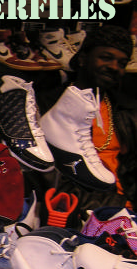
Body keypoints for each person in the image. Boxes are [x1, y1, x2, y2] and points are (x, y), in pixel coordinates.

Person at [33, 24, 137, 218]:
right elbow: (49, 178)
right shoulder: (47, 106)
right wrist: (120, 206)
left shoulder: (126, 110)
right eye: (106, 57)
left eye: (122, 63)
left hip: (127, 207)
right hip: (82, 210)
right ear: (82, 59)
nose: (114, 67)